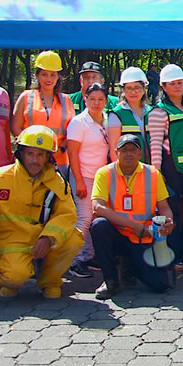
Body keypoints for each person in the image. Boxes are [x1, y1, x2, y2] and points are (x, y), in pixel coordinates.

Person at [0, 125, 83, 299]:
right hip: (11, 240)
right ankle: (9, 280)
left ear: (48, 157)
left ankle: (49, 281)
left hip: (42, 238)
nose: (35, 160)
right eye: (30, 154)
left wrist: (48, 238)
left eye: (40, 154)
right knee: (15, 277)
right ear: (20, 153)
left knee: (74, 239)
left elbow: (67, 214)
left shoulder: (57, 182)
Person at [90, 134, 175, 299]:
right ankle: (110, 280)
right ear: (116, 152)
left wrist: (168, 221)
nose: (128, 153)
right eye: (124, 150)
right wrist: (134, 225)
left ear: (140, 153)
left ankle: (130, 266)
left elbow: (164, 207)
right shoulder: (104, 173)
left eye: (132, 150)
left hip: (143, 237)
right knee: (99, 225)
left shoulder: (153, 173)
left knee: (160, 285)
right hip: (118, 233)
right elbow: (97, 207)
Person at [147, 64, 183, 272]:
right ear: (163, 86)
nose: (177, 86)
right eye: (172, 84)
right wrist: (157, 174)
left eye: (180, 82)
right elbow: (155, 144)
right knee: (172, 212)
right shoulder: (159, 112)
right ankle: (174, 256)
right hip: (171, 168)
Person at [65, 83, 111, 278]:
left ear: (106, 101)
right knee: (83, 218)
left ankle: (89, 256)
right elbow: (72, 154)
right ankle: (75, 260)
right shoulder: (78, 123)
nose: (96, 103)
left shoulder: (108, 120)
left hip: (101, 177)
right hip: (83, 175)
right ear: (85, 99)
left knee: (95, 218)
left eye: (100, 99)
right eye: (92, 99)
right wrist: (79, 181)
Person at [12, 50, 74, 168]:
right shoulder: (26, 97)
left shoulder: (67, 100)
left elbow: (72, 132)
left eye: (52, 75)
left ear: (58, 76)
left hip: (59, 161)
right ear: (37, 75)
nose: (48, 79)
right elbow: (15, 127)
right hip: (29, 160)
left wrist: (60, 149)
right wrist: (33, 149)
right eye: (44, 74)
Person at [108, 67, 151, 163]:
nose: (133, 92)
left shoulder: (151, 112)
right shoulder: (117, 114)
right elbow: (113, 149)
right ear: (123, 90)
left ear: (144, 89)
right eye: (129, 88)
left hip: (150, 167)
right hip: (127, 167)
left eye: (137, 88)